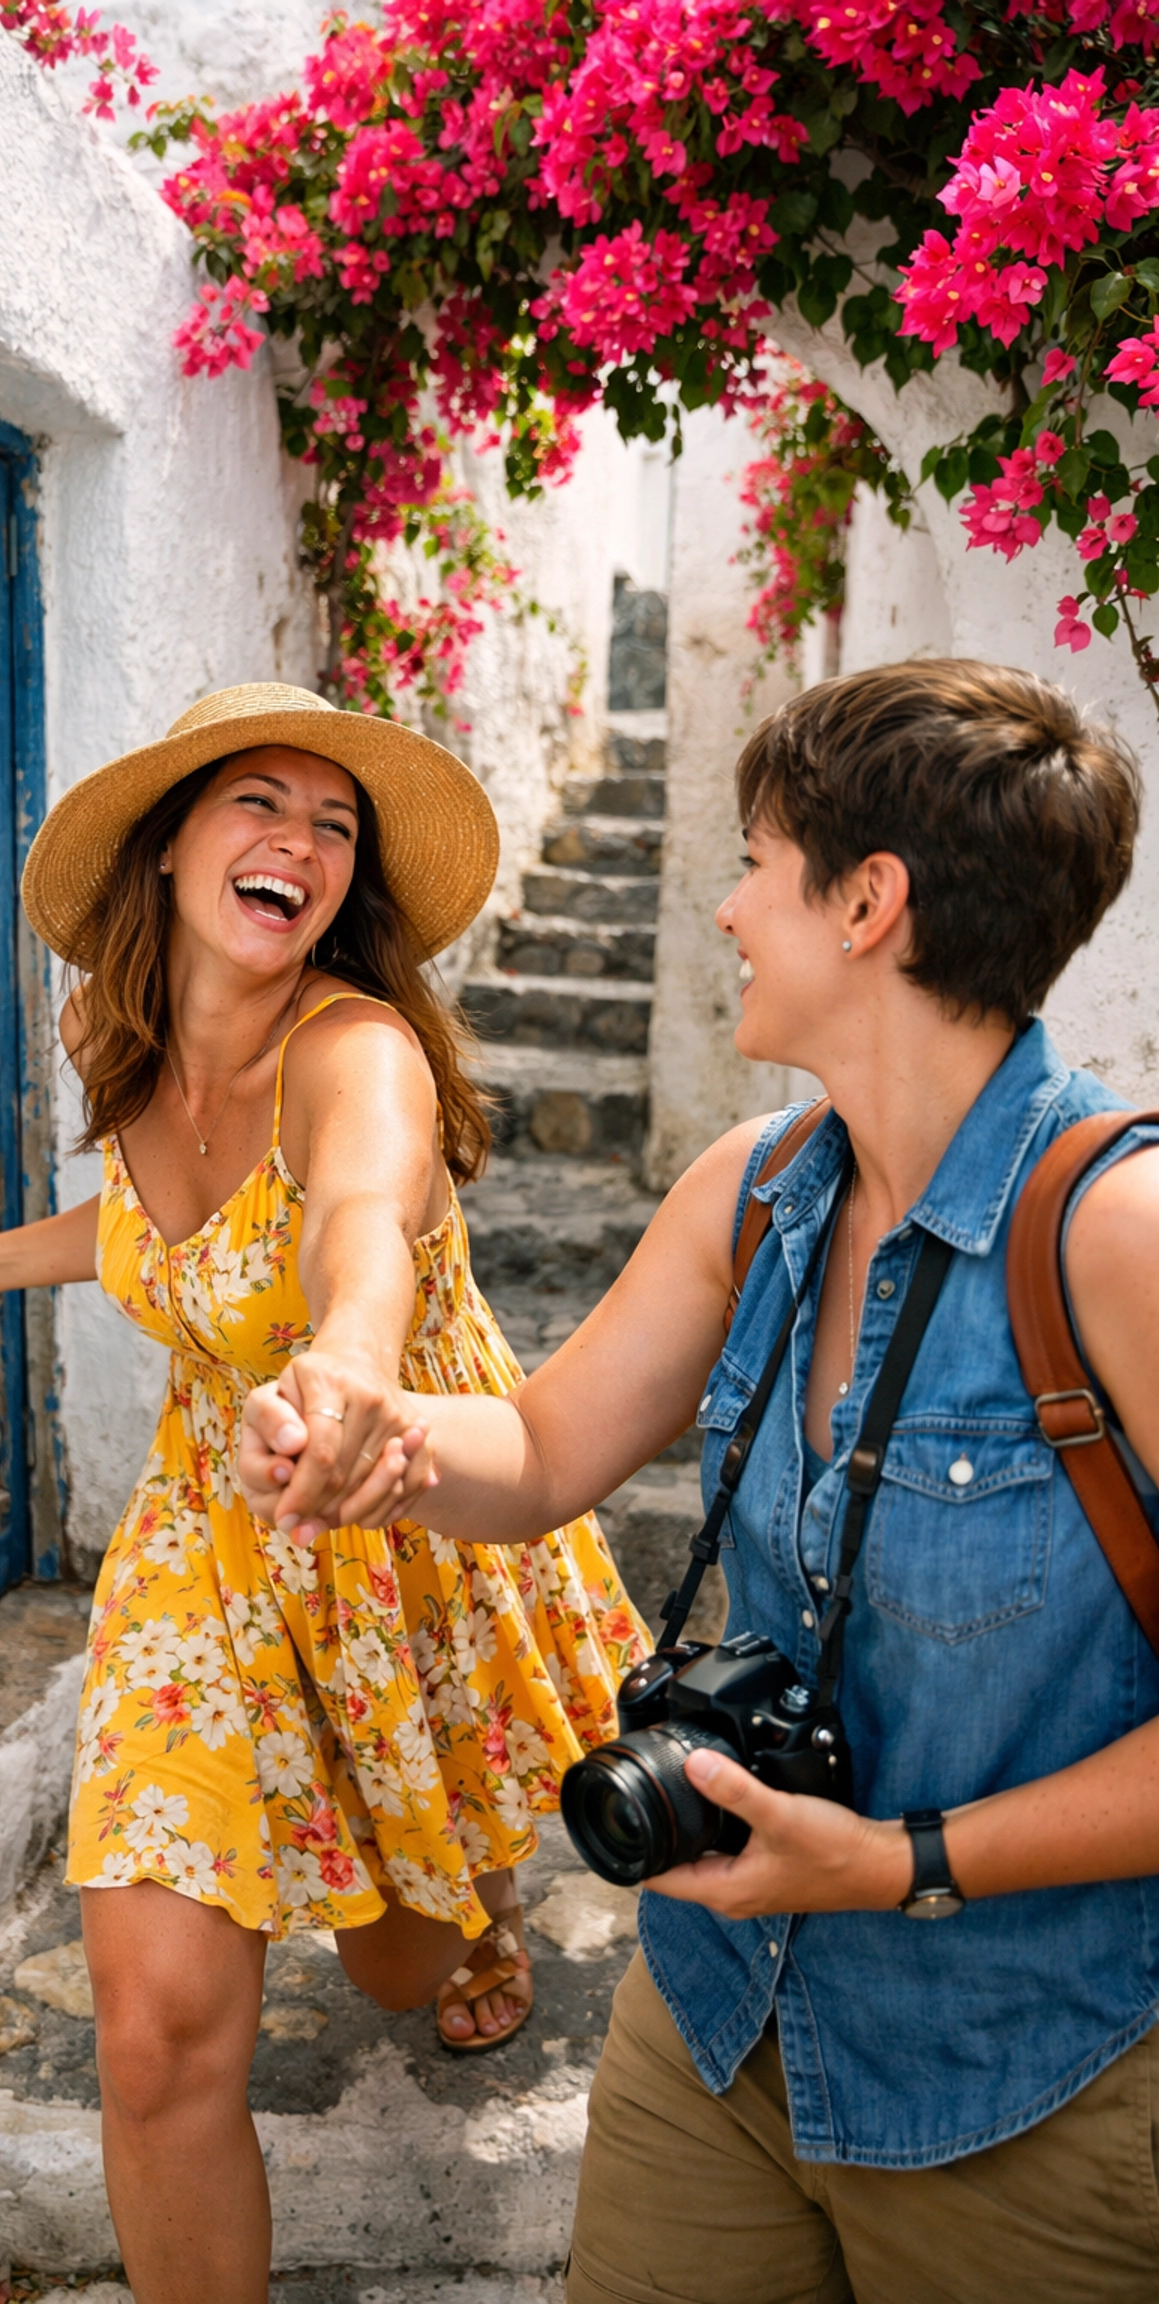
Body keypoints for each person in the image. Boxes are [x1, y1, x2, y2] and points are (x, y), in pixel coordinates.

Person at [241, 660, 1159, 2303]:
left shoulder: (1114, 1232)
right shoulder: (753, 1192)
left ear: (869, 901)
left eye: (757, 859)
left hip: (1031, 2068)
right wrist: (365, 1437)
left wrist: (894, 1864)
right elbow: (534, 1455)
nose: (728, 907)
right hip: (720, 2009)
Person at [0, 680, 649, 2304]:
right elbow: (146, 1238)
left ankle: (485, 1903)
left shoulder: (359, 1053)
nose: (298, 842)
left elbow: (352, 1226)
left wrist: (354, 1366)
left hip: (394, 1521)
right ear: (170, 850)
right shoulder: (118, 1029)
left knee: (400, 1963)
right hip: (202, 1546)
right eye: (261, 804)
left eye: (334, 824)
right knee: (154, 2031)